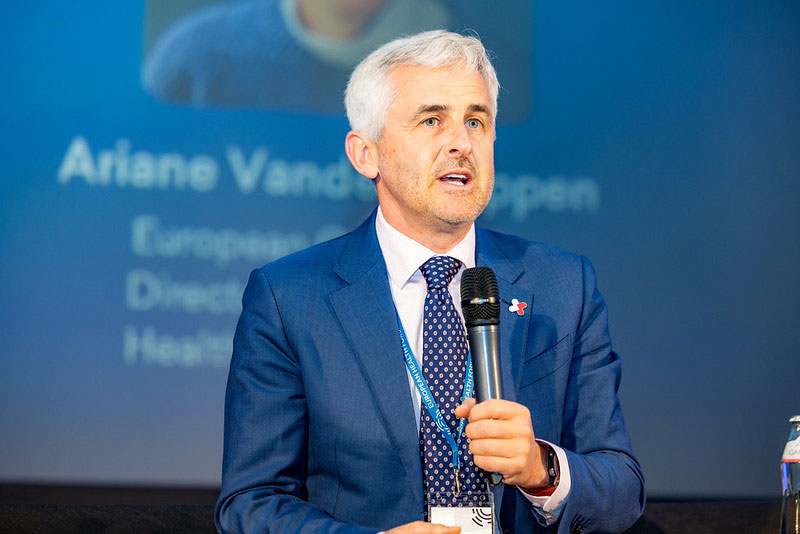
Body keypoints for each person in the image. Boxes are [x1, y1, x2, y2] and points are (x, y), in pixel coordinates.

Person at [214, 30, 644, 533]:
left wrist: (540, 468)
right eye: (432, 120)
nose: (461, 143)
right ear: (366, 153)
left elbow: (622, 491)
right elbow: (250, 503)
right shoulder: (288, 297)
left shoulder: (564, 286)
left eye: (476, 121)